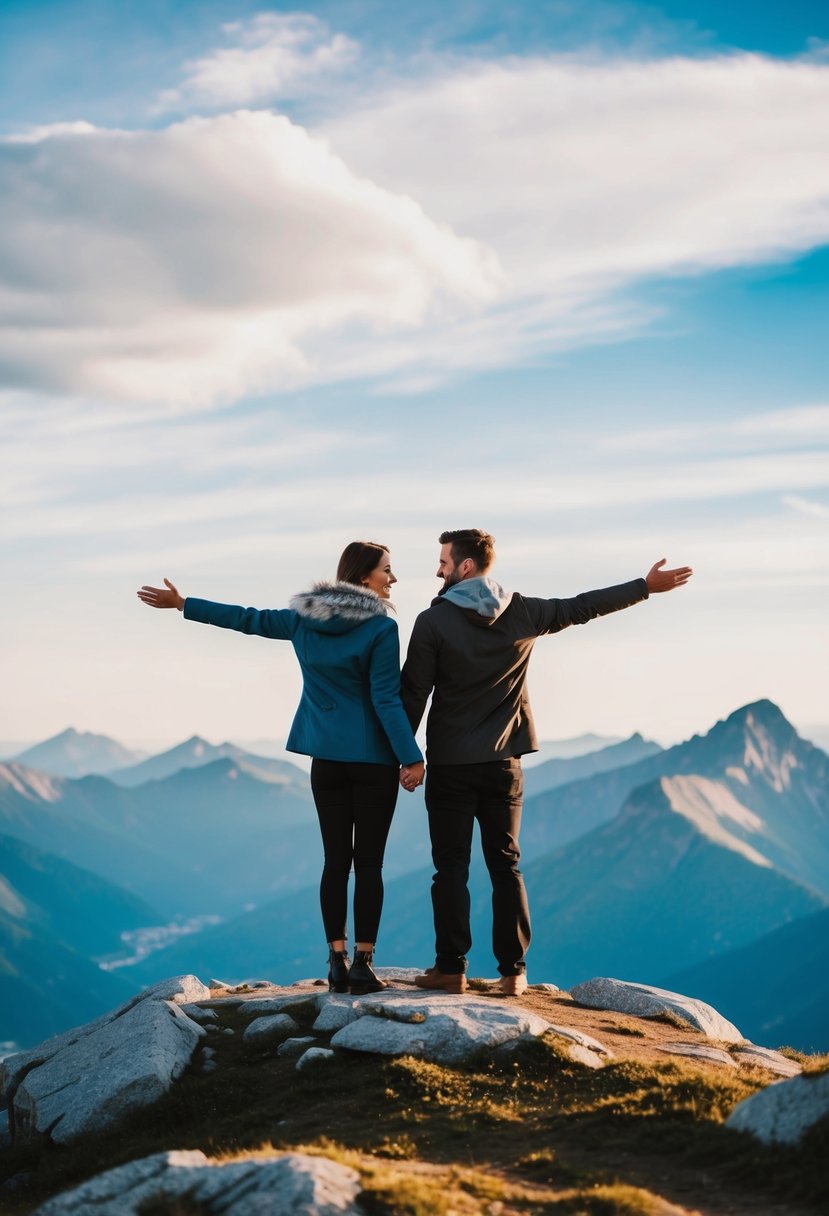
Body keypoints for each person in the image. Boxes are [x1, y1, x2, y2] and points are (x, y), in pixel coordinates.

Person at [399, 529, 692, 996]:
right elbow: (582, 606)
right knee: (505, 866)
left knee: (451, 868)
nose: (438, 570)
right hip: (504, 764)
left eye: (443, 562)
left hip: (452, 765)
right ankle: (513, 972)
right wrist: (643, 587)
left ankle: (451, 969)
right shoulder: (525, 611)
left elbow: (413, 692)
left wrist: (407, 757)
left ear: (466, 567)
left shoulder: (432, 623)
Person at [137, 541, 425, 996]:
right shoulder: (381, 628)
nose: (393, 579)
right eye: (387, 570)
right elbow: (386, 699)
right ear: (365, 576)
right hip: (371, 762)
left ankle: (336, 959)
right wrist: (412, 756)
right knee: (368, 864)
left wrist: (184, 604)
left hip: (324, 760)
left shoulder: (302, 619)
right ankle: (364, 966)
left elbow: (246, 618)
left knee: (335, 861)